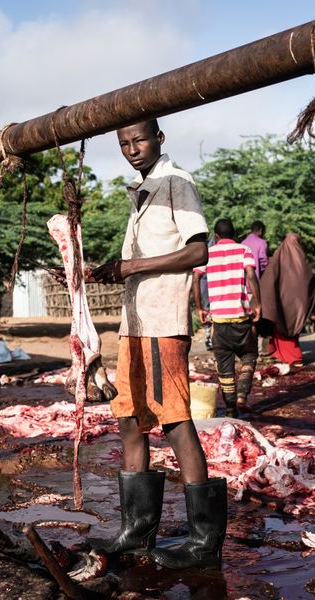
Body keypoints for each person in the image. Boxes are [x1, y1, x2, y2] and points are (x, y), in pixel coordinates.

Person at [87, 119, 227, 570]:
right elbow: (140, 261)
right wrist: (111, 269)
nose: (132, 149)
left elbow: (197, 251)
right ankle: (137, 532)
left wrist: (130, 268)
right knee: (129, 419)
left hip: (163, 321)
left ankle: (204, 540)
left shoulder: (175, 181)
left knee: (174, 420)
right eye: (124, 143)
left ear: (159, 139)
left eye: (139, 140)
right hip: (135, 323)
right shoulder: (143, 190)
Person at [193, 218, 261, 417]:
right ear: (235, 234)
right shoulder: (243, 250)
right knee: (249, 356)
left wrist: (200, 308)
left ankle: (231, 409)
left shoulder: (207, 254)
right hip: (241, 319)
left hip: (219, 322)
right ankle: (241, 395)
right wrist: (257, 303)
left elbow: (196, 278)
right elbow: (250, 275)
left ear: (216, 236)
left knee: (225, 368)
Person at [259, 233, 315, 367]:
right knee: (292, 324)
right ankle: (291, 356)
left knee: (281, 323)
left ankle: (288, 356)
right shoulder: (303, 261)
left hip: (281, 304)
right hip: (298, 305)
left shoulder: (278, 258)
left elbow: (267, 281)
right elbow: (311, 281)